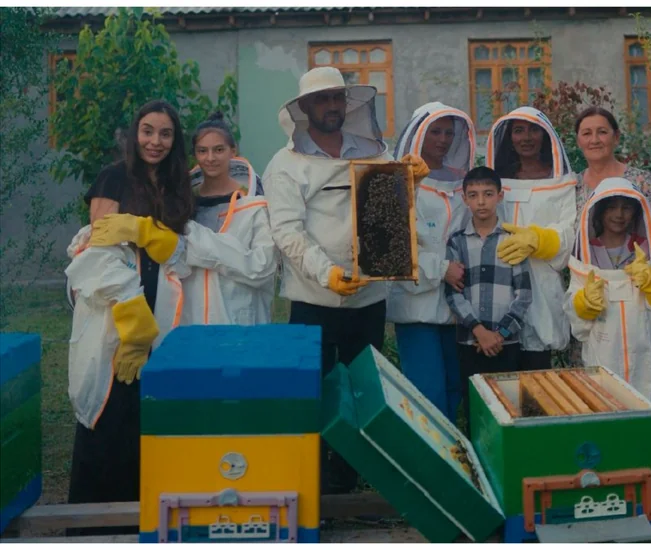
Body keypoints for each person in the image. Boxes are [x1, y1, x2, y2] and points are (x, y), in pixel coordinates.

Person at [262, 66, 427, 494]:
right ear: (305, 108)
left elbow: (390, 214)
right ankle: (312, 477)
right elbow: (286, 231)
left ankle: (351, 476)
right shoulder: (285, 164)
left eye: (338, 98)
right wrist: (326, 273)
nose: (332, 106)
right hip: (313, 299)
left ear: (347, 103)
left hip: (369, 297)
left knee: (362, 390)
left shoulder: (373, 152)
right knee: (312, 390)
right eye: (322, 100)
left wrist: (409, 183)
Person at [65, 99, 193, 533]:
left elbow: (178, 249)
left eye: (165, 134)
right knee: (106, 410)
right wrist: (130, 315)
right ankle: (89, 530)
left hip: (161, 311)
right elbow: (96, 250)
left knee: (146, 416)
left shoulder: (177, 185)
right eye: (147, 131)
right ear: (134, 134)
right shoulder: (114, 176)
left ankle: (140, 523)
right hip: (116, 312)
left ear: (175, 141)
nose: (155, 142)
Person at [572, 106, 651, 473]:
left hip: (645, 321)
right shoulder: (572, 184)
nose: (595, 139)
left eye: (602, 131)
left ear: (616, 136)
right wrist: (582, 301)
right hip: (601, 323)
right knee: (600, 398)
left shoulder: (642, 181)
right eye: (587, 132)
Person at [564, 176, 651, 442]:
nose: (619, 214)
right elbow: (577, 321)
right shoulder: (585, 253)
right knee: (605, 419)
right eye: (611, 207)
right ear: (599, 212)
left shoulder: (648, 250)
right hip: (604, 350)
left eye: (626, 208)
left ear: (637, 212)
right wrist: (583, 303)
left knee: (649, 419)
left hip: (646, 349)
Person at [388, 102, 476, 423]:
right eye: (435, 132)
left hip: (458, 305)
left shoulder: (462, 181)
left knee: (455, 389)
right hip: (416, 305)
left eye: (449, 133)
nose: (442, 139)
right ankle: (427, 465)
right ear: (418, 134)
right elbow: (392, 242)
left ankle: (453, 461)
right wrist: (440, 269)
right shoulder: (398, 180)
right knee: (426, 394)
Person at [485, 107, 576, 371]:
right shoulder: (496, 181)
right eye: (518, 130)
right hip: (498, 286)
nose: (526, 137)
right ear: (509, 137)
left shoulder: (562, 182)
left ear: (545, 135)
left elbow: (570, 232)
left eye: (533, 129)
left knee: (538, 379)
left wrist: (540, 240)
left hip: (543, 289)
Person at [444, 166, 532, 432]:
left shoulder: (513, 240)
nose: (481, 201)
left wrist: (500, 334)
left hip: (507, 343)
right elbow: (453, 293)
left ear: (500, 196)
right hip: (470, 342)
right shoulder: (457, 242)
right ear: (465, 199)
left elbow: (524, 294)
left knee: (509, 411)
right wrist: (479, 330)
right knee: (476, 413)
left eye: (488, 194)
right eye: (474, 195)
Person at [179, 112, 277, 326]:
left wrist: (200, 245)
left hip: (240, 321)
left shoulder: (254, 206)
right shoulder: (183, 207)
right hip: (192, 321)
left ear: (233, 152)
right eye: (202, 151)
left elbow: (262, 267)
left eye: (219, 150)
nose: (210, 158)